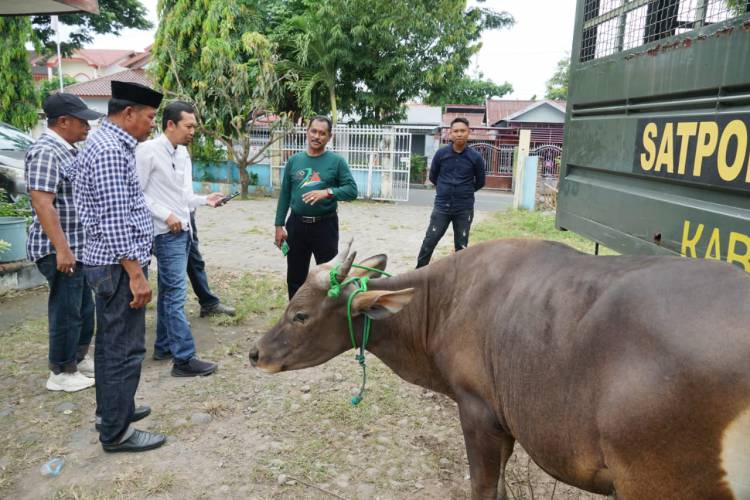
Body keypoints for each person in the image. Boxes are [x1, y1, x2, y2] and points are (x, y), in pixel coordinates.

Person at [71, 80, 166, 453]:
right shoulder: (111, 150)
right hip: (118, 267)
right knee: (123, 350)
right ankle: (117, 431)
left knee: (112, 345)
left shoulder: (106, 143)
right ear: (128, 114)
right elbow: (113, 220)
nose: (151, 126)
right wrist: (137, 274)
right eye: (149, 118)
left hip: (111, 265)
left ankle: (113, 411)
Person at [135, 100, 222, 376]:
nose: (193, 131)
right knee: (174, 296)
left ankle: (164, 347)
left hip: (182, 231)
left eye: (194, 126)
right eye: (189, 126)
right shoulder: (147, 151)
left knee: (169, 293)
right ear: (170, 125)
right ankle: (184, 359)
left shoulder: (182, 153)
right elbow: (135, 193)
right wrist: (165, 214)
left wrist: (205, 200)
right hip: (162, 232)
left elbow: (183, 196)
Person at [25, 93, 102, 392]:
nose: (87, 127)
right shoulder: (46, 151)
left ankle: (78, 358)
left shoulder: (68, 150)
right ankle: (61, 370)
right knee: (66, 309)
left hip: (77, 248)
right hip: (60, 249)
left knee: (83, 307)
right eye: (82, 122)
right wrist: (62, 249)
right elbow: (43, 203)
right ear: (63, 121)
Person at [274, 116, 358, 299]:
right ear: (307, 131)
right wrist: (279, 225)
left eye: (322, 133)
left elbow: (352, 190)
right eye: (314, 131)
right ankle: (296, 320)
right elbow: (285, 194)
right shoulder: (294, 161)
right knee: (295, 277)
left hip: (325, 226)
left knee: (329, 276)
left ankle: (327, 320)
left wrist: (327, 192)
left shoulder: (336, 162)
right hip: (296, 225)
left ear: (329, 137)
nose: (317, 136)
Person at [415, 117, 485, 268]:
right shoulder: (441, 154)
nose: (459, 134)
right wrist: (444, 189)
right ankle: (418, 273)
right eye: (456, 131)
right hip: (442, 207)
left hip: (464, 209)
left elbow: (480, 182)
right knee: (429, 241)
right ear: (450, 134)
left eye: (463, 131)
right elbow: (433, 177)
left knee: (461, 247)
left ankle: (459, 278)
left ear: (469, 133)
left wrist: (464, 191)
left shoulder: (476, 157)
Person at [187, 210, 236, 318]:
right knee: (170, 270)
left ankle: (208, 304)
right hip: (167, 221)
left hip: (184, 216)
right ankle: (170, 319)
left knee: (194, 261)